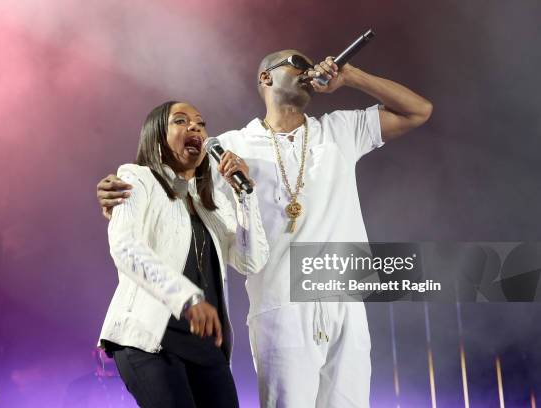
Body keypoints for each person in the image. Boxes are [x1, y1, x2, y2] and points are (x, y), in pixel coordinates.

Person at [97, 52, 432, 407]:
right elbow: (175, 192)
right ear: (266, 78)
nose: (308, 68)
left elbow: (418, 110)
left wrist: (353, 77)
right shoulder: (229, 146)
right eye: (296, 62)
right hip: (280, 303)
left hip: (343, 296)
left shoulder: (340, 129)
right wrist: (115, 195)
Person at [97, 101, 269, 408]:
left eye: (201, 124)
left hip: (205, 348)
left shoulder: (211, 201)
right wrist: (186, 298)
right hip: (150, 339)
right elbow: (124, 245)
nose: (195, 128)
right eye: (181, 121)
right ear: (157, 138)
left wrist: (244, 196)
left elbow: (250, 260)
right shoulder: (137, 179)